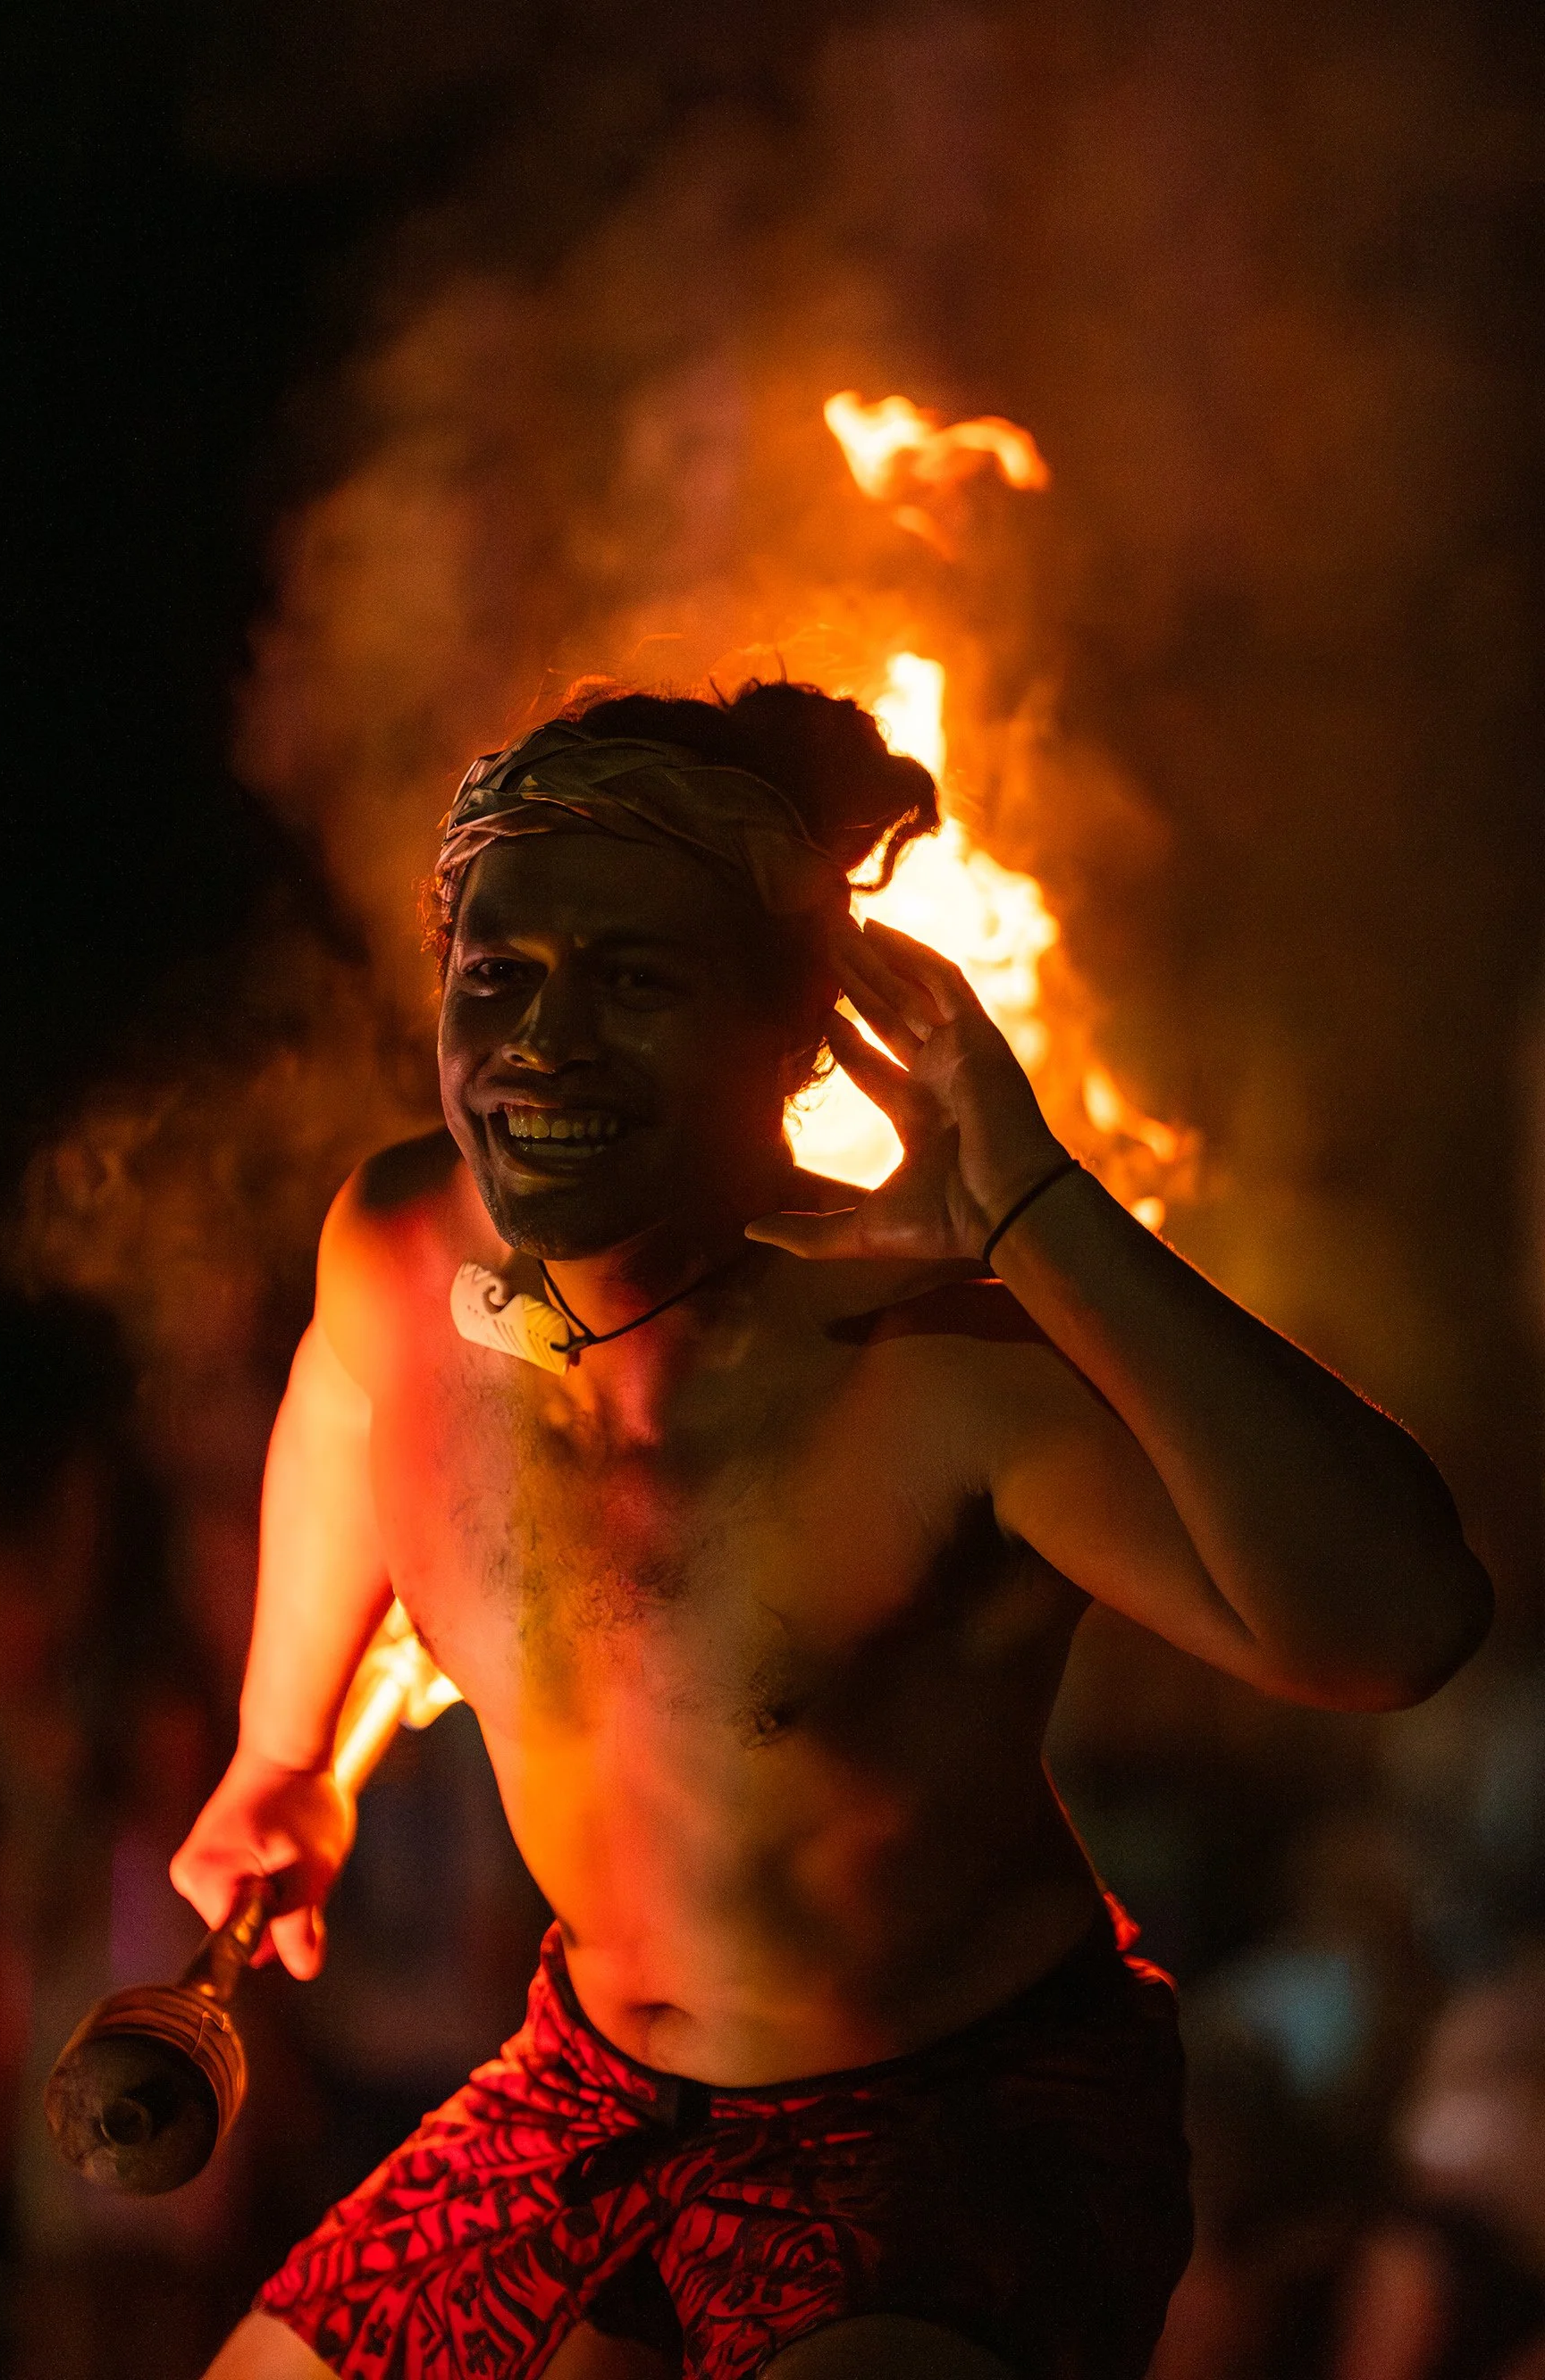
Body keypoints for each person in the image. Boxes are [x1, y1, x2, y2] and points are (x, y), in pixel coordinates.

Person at [172, 682, 1493, 2380]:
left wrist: (1031, 1209)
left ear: (796, 1033)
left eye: (637, 981)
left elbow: (1396, 1626)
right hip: (588, 2088)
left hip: (946, 2122)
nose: (543, 1041)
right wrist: (281, 1750)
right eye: (497, 976)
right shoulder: (396, 1256)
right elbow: (342, 1411)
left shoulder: (939, 1366)